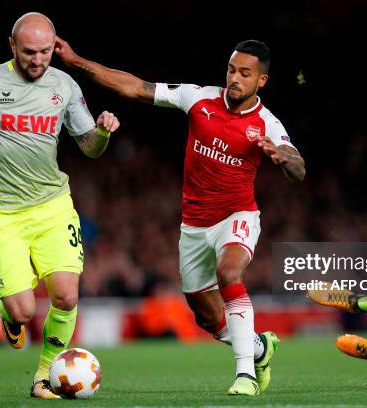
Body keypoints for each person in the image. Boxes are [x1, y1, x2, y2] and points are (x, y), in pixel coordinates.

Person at [55, 37, 306, 395]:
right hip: (194, 225)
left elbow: (299, 168)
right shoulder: (198, 98)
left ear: (260, 81)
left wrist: (284, 159)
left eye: (245, 73)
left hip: (237, 216)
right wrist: (76, 60)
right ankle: (260, 348)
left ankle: (246, 375)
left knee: (229, 272)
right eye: (232, 70)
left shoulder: (267, 124)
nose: (235, 78)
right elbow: (134, 87)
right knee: (206, 317)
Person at [0, 12, 119, 398]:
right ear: (12, 46)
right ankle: (8, 316)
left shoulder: (63, 86)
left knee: (66, 295)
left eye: (45, 51)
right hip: (1, 214)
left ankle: (44, 376)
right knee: (24, 311)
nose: (37, 59)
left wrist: (101, 133)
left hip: (53, 206)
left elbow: (89, 148)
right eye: (29, 51)